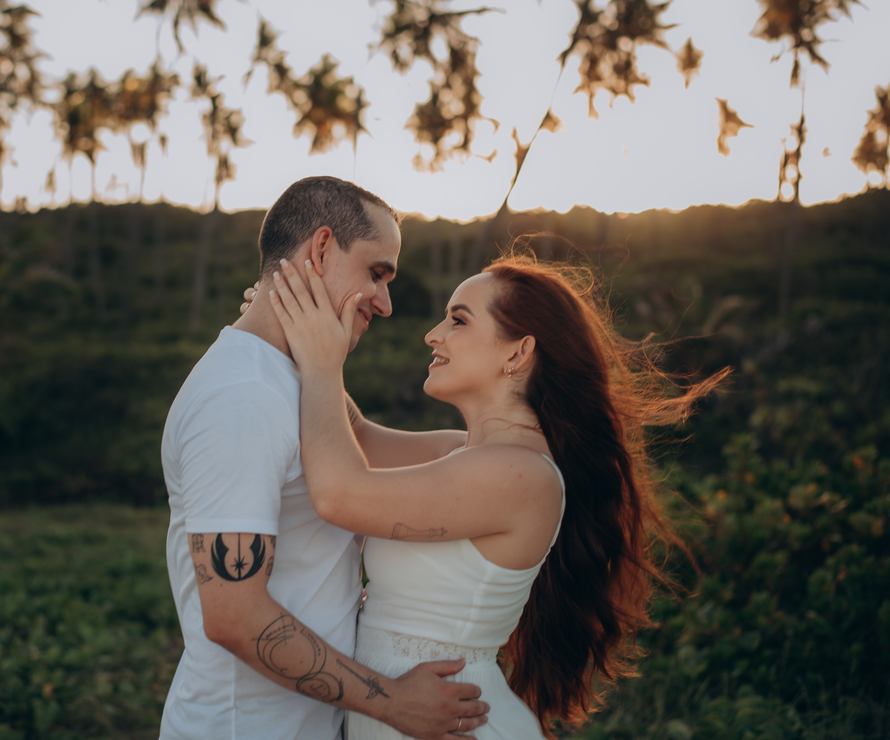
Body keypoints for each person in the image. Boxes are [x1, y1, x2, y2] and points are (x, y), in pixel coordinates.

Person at [264, 252, 727, 739]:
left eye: (458, 320)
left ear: (518, 353)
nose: (433, 335)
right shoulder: (460, 454)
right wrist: (285, 330)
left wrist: (322, 361)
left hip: (450, 721)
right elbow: (355, 435)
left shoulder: (520, 475)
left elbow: (338, 495)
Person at [159, 176, 490, 740]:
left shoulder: (296, 378)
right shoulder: (241, 396)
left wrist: (517, 444)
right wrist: (392, 702)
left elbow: (381, 449)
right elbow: (234, 615)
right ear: (320, 249)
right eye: (376, 273)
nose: (385, 303)